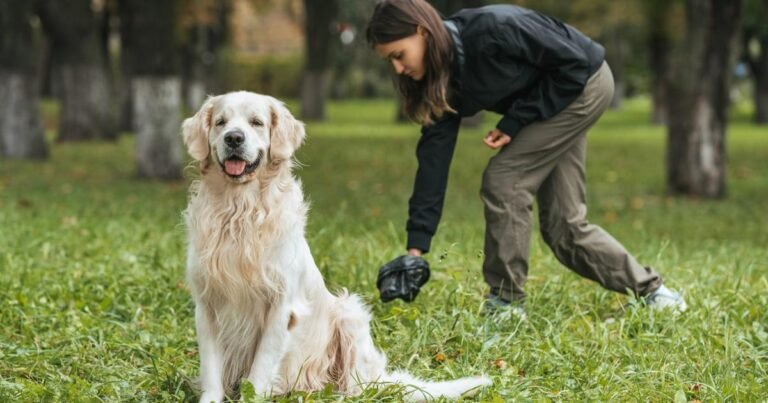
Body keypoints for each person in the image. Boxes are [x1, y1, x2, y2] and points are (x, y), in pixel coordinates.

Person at [366, 0, 687, 314]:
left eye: (398, 54)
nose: (397, 68)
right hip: (551, 101)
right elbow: (433, 162)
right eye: (389, 61)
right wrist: (416, 250)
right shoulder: (440, 79)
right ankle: (656, 294)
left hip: (583, 85)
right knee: (564, 226)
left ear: (422, 32)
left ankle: (505, 302)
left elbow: (574, 64)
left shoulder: (494, 30)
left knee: (504, 180)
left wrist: (515, 121)